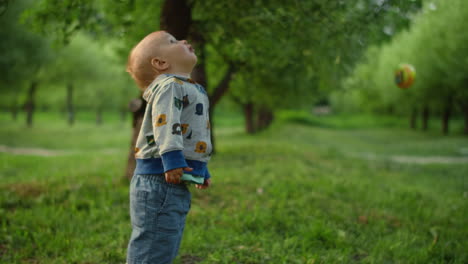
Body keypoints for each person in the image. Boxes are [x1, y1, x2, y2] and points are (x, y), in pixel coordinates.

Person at [125, 31, 212, 264]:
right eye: (173, 42)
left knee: (165, 241)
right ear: (161, 63)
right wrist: (173, 161)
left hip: (172, 179)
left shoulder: (185, 86)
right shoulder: (169, 86)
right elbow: (166, 125)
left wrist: (200, 169)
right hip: (159, 180)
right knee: (152, 245)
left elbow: (192, 134)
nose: (184, 40)